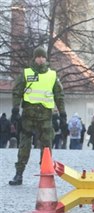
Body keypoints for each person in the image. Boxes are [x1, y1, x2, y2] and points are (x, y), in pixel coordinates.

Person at [10, 46, 66, 185]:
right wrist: (15, 109)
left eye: (43, 57)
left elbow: (59, 95)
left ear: (46, 59)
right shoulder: (26, 73)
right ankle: (19, 174)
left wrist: (62, 112)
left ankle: (45, 175)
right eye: (38, 57)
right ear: (34, 58)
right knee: (24, 146)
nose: (40, 59)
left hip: (45, 115)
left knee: (46, 147)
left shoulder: (52, 75)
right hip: (28, 115)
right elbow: (17, 91)